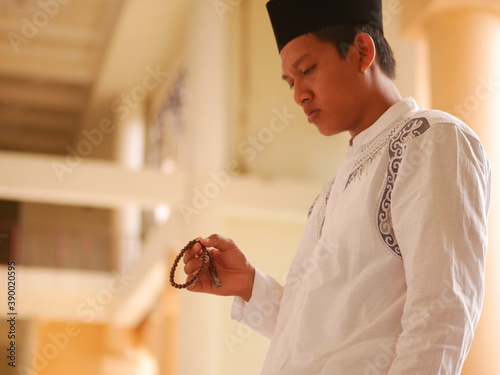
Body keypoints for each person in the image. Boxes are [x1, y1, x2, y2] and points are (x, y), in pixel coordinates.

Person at [182, 0, 492, 373]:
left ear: (362, 52)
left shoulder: (431, 140)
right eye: (291, 82)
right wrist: (249, 285)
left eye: (308, 69)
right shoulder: (335, 188)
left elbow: (442, 315)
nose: (299, 95)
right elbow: (323, 340)